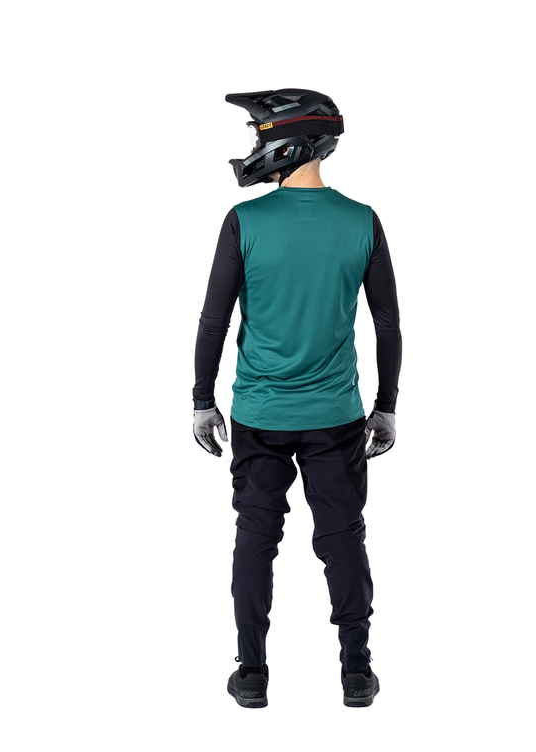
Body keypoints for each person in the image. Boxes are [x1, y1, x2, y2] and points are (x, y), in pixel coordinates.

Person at [192, 89, 401, 708]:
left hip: (259, 415)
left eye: (260, 136)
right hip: (337, 417)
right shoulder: (362, 221)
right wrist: (387, 405)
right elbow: (387, 324)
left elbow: (214, 321)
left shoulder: (245, 221)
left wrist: (202, 399)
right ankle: (356, 672)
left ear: (291, 143)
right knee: (343, 537)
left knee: (256, 537)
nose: (253, 149)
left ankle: (252, 673)